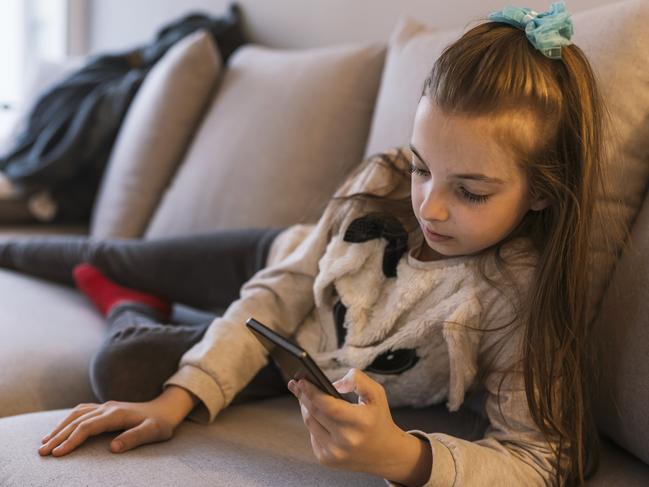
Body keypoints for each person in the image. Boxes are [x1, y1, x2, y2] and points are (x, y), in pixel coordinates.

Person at [0, 2, 619, 485]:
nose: (428, 206)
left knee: (122, 367)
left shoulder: (514, 299)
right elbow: (288, 285)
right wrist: (173, 401)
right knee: (111, 251)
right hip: (288, 261)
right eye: (423, 167)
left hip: (307, 350)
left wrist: (405, 456)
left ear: (541, 191)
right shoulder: (380, 181)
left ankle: (117, 298)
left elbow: (539, 457)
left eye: (472, 193)